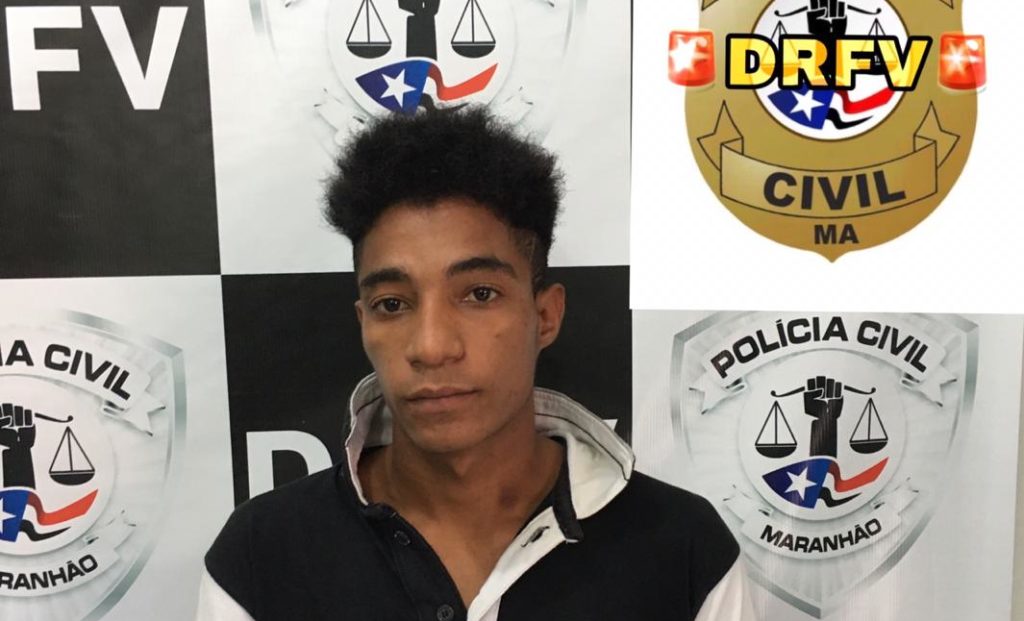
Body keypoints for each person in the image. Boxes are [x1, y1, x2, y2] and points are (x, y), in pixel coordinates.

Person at [196, 107, 756, 620]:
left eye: (479, 294)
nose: (432, 346)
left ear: (545, 316)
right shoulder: (260, 555)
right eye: (392, 304)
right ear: (364, 323)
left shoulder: (685, 551)